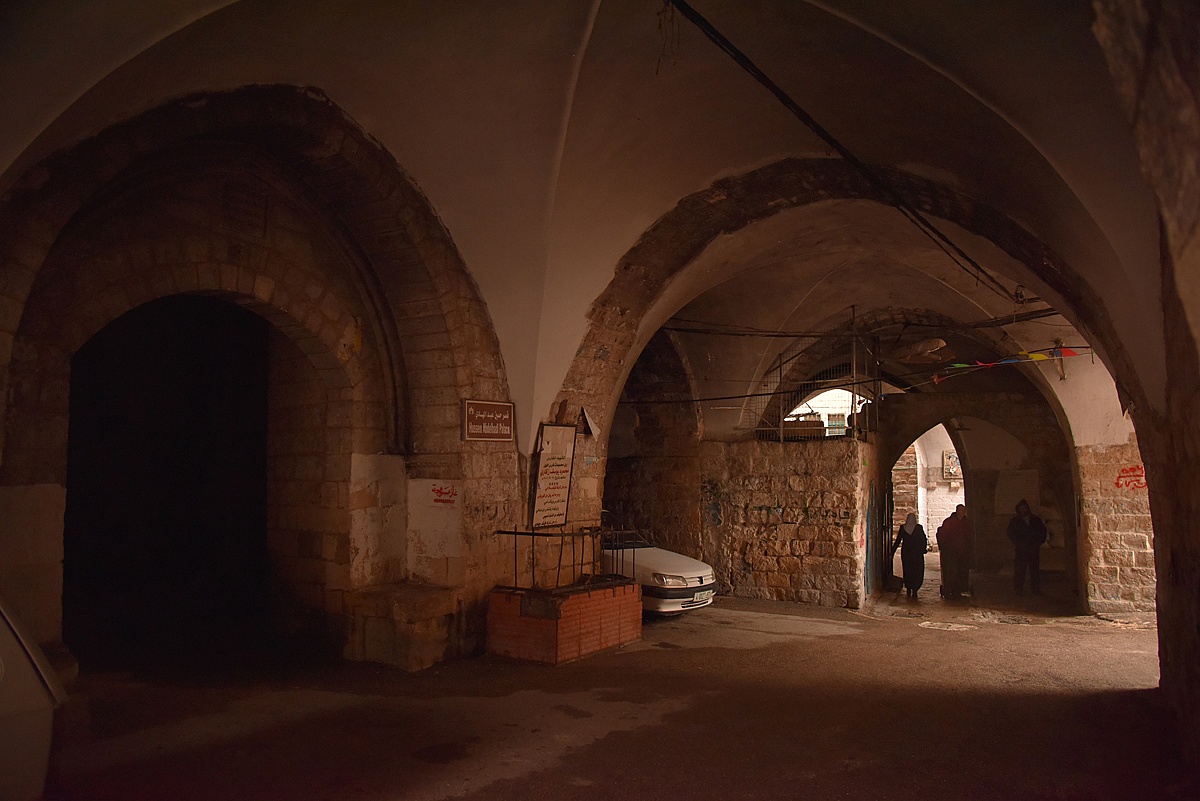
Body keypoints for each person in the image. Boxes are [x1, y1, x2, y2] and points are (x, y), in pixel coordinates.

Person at [1007, 498, 1048, 595]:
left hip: (1033, 548)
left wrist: (1038, 543)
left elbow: (1042, 531)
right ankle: (1018, 589)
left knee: (1034, 570)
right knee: (1020, 570)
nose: (1023, 510)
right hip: (1021, 549)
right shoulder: (1015, 521)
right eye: (1021, 508)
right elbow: (1011, 533)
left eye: (1024, 508)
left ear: (1028, 509)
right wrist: (1018, 543)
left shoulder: (1035, 520)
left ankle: (1035, 589)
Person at [936, 504, 971, 599]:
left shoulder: (966, 522)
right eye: (961, 510)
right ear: (957, 511)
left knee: (961, 572)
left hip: (963, 551)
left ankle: (957, 591)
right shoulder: (949, 522)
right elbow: (943, 536)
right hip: (951, 551)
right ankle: (948, 590)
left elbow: (969, 535)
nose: (962, 512)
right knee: (951, 572)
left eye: (964, 510)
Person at [892, 512, 928, 598]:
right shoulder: (918, 528)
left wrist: (892, 551)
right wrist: (923, 549)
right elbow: (923, 539)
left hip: (906, 553)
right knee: (917, 570)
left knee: (907, 570)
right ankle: (915, 588)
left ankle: (908, 587)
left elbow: (898, 540)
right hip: (917, 553)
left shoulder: (903, 528)